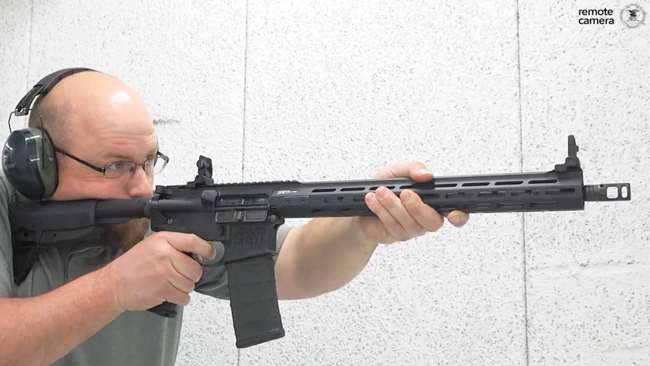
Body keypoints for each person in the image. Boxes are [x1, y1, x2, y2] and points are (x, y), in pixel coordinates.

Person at [0, 69, 469, 365]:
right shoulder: (9, 206)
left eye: (149, 161)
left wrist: (361, 224)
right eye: (116, 166)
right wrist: (118, 287)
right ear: (36, 165)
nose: (143, 186)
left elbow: (295, 267)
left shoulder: (156, 215)